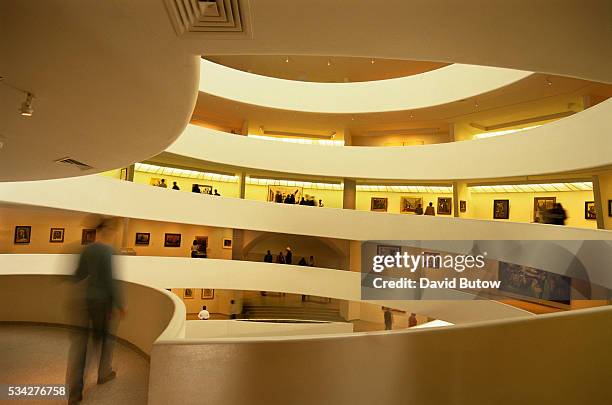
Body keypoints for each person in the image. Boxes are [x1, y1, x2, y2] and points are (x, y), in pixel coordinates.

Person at [67, 223, 124, 404]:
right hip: (103, 304)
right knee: (106, 340)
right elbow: (110, 280)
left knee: (81, 347)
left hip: (87, 301)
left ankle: (75, 392)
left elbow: (78, 275)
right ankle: (104, 373)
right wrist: (119, 304)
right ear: (108, 231)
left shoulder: (87, 250)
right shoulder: (109, 251)